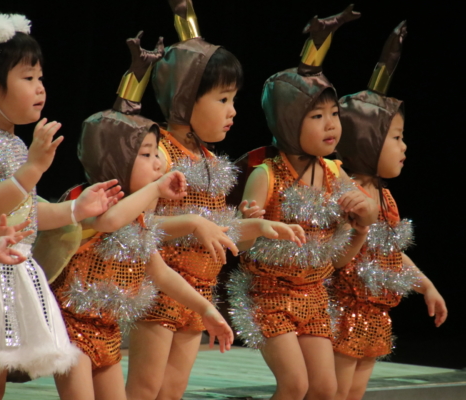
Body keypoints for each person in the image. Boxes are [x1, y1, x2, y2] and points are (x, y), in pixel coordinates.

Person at [125, 3, 305, 400]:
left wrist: (258, 227)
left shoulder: (210, 163)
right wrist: (192, 222)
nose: (233, 111)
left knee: (172, 390)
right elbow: (136, 225)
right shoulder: (160, 154)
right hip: (160, 286)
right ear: (186, 97)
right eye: (223, 99)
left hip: (199, 290)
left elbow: (218, 233)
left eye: (233, 99)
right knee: (145, 388)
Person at [49, 33, 235, 400]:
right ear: (117, 160)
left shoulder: (138, 220)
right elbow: (109, 222)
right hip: (70, 329)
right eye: (147, 155)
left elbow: (161, 273)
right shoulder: (92, 202)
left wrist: (206, 309)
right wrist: (156, 189)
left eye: (156, 154)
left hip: (108, 331)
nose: (158, 163)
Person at [227, 7, 377, 400]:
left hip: (313, 294)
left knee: (325, 389)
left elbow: (343, 253)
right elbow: (238, 242)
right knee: (295, 385)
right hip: (268, 294)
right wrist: (251, 223)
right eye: (317, 116)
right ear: (289, 121)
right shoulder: (266, 174)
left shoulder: (334, 173)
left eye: (334, 114)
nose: (331, 125)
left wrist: (363, 221)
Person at [0, 13, 123, 399]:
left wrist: (75, 210)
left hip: (11, 272)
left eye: (40, 77)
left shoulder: (15, 144)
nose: (40, 88)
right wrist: (32, 169)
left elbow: (28, 211)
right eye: (27, 78)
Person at [332, 22, 448, 400]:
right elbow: (334, 254)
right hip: (342, 311)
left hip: (376, 314)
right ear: (367, 142)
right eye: (396, 138)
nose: (404, 147)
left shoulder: (386, 199)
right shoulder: (344, 193)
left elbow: (391, 255)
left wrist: (426, 285)